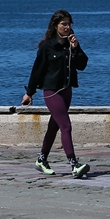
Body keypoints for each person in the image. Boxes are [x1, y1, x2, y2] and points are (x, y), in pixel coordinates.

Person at [21, 9, 90, 178]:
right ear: (55, 25)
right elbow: (37, 70)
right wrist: (29, 93)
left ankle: (41, 159)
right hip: (51, 92)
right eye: (63, 24)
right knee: (65, 126)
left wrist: (76, 48)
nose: (67, 27)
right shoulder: (47, 46)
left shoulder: (71, 44)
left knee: (54, 126)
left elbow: (82, 65)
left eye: (69, 24)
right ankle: (74, 165)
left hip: (67, 90)